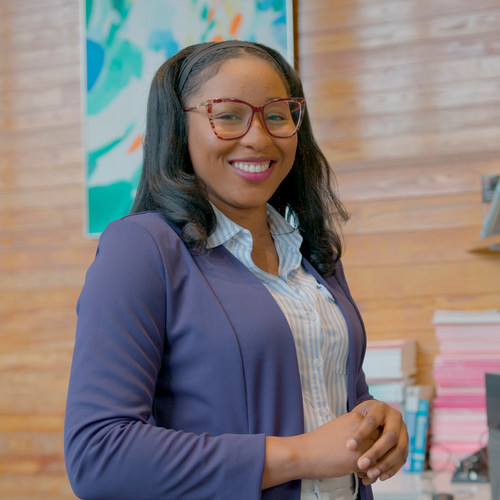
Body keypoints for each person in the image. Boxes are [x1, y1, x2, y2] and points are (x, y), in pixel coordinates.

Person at [64, 40, 408, 500]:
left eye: (278, 114)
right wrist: (301, 454)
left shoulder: (313, 252)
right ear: (177, 130)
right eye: (227, 115)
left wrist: (376, 423)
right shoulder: (143, 248)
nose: (259, 138)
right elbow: (98, 455)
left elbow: (331, 399)